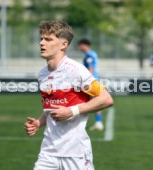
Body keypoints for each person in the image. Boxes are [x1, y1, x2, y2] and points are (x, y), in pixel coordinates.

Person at [24, 21, 114, 170]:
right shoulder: (42, 74)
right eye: (41, 38)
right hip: (48, 153)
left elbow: (106, 98)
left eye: (48, 39)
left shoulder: (77, 71)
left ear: (63, 44)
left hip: (76, 153)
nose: (41, 43)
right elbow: (51, 109)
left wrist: (71, 111)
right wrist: (39, 123)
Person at [78, 39, 104, 131]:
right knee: (92, 102)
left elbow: (91, 69)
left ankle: (98, 122)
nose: (79, 47)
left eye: (80, 45)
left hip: (90, 81)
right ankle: (98, 122)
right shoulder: (91, 53)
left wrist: (86, 80)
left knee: (89, 102)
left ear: (84, 45)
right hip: (93, 80)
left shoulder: (89, 55)